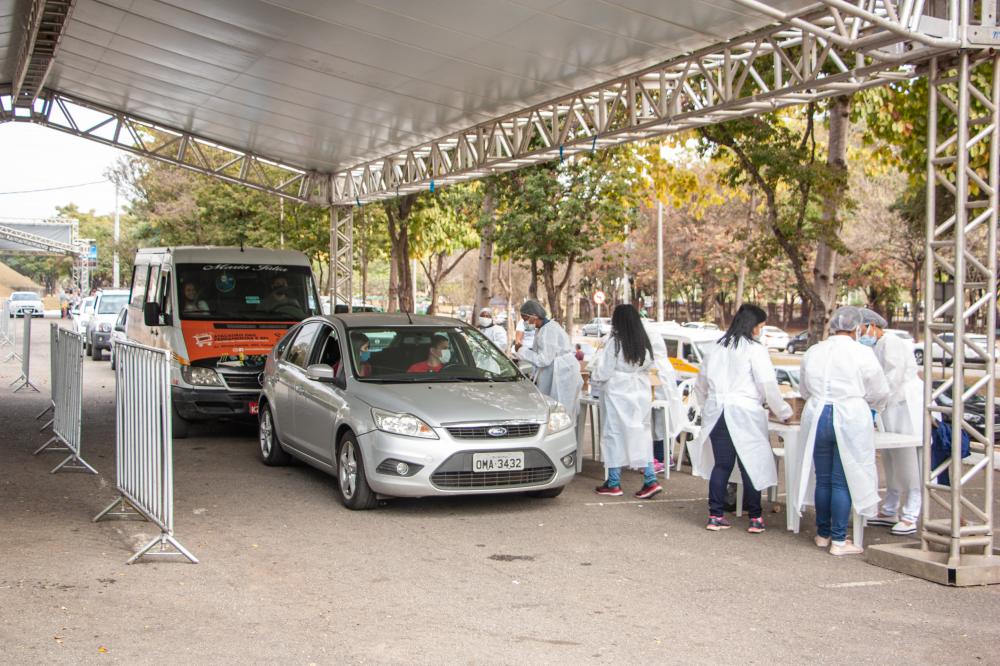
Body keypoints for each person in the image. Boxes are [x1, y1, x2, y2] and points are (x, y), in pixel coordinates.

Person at [791, 306, 890, 556]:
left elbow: (803, 388)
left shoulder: (814, 351)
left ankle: (822, 534)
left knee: (823, 478)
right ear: (857, 328)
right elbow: (879, 391)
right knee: (842, 480)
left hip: (817, 414)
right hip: (849, 415)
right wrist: (872, 407)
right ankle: (838, 539)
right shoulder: (863, 354)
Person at [690, 304, 792, 533]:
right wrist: (784, 412)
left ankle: (715, 515)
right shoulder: (754, 350)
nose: (761, 331)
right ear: (753, 326)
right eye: (761, 327)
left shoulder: (716, 347)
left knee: (722, 465)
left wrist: (708, 407)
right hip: (745, 412)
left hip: (718, 413)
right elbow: (767, 385)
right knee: (751, 463)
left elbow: (701, 385)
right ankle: (755, 517)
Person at [859, 308, 923, 536]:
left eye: (861, 327)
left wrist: (876, 400)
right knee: (891, 458)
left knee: (909, 458)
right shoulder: (874, 346)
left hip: (904, 405)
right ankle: (890, 507)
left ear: (872, 325)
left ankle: (911, 513)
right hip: (889, 407)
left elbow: (892, 378)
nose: (859, 333)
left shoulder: (891, 342)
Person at [590, 305, 663, 499]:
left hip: (617, 393)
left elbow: (603, 371)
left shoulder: (615, 342)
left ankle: (613, 482)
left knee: (614, 435)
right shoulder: (643, 341)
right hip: (640, 393)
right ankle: (650, 479)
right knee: (640, 435)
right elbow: (649, 365)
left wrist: (594, 379)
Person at [514, 299, 582, 421]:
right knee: (552, 409)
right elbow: (539, 353)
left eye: (525, 319)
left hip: (563, 373)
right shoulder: (542, 329)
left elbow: (544, 359)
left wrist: (522, 350)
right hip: (555, 370)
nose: (524, 323)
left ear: (534, 316)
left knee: (561, 410)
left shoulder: (549, 330)